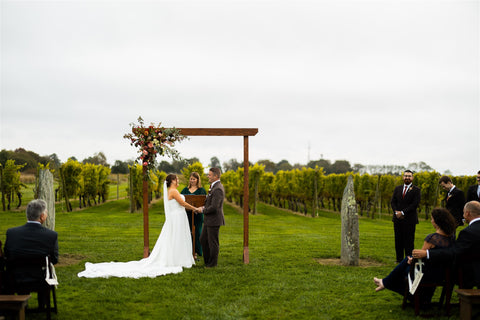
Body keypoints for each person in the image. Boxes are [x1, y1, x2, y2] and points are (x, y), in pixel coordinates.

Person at [78, 174, 199, 278]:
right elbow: (182, 203)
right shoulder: (173, 191)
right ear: (172, 181)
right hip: (177, 219)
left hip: (177, 218)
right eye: (176, 179)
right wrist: (195, 209)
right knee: (177, 239)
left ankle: (178, 258)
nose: (178, 181)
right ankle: (177, 260)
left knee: (176, 239)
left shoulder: (173, 191)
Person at [374, 208, 456, 297]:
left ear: (436, 221)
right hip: (442, 274)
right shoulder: (452, 238)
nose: (431, 221)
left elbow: (420, 257)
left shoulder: (432, 239)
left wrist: (412, 260)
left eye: (432, 219)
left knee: (404, 267)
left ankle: (386, 283)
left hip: (425, 274)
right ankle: (385, 282)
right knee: (407, 260)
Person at [413, 201, 480, 288]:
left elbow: (454, 252)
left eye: (463, 213)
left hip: (471, 274)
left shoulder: (468, 232)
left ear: (467, 213)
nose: (463, 215)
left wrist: (428, 253)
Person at [4, 199, 59, 265]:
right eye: (46, 213)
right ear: (42, 216)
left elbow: (7, 255)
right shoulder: (51, 236)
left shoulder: (11, 233)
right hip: (40, 274)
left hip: (15, 274)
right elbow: (54, 260)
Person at [390, 170, 421, 262]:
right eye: (406, 176)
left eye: (409, 176)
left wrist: (403, 213)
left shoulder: (416, 190)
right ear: (403, 177)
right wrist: (396, 212)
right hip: (397, 219)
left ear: (412, 178)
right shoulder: (397, 188)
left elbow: (415, 204)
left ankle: (408, 259)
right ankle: (398, 259)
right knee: (398, 240)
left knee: (409, 241)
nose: (407, 177)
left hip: (409, 219)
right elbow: (393, 201)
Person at [199, 168, 225, 268]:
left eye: (210, 175)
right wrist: (204, 207)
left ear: (215, 176)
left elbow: (214, 207)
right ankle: (207, 261)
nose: (208, 176)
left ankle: (212, 264)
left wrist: (202, 210)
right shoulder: (214, 187)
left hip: (214, 220)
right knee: (203, 240)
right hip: (209, 220)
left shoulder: (218, 188)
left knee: (213, 242)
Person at [181, 172, 207, 260]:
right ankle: (188, 253)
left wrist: (198, 208)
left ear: (197, 180)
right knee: (188, 232)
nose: (192, 180)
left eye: (194, 179)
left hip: (198, 215)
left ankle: (196, 252)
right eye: (191, 179)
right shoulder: (185, 190)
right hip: (187, 215)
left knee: (197, 233)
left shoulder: (201, 190)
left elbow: (204, 202)